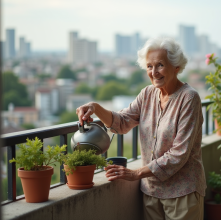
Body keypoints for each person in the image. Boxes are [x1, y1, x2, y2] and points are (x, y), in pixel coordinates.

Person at [76, 37, 206, 220]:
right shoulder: (147, 94)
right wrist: (95, 108)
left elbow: (179, 154)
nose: (154, 72)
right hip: (151, 191)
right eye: (149, 66)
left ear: (176, 67)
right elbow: (121, 123)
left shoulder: (189, 98)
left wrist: (136, 173)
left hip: (182, 192)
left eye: (160, 65)